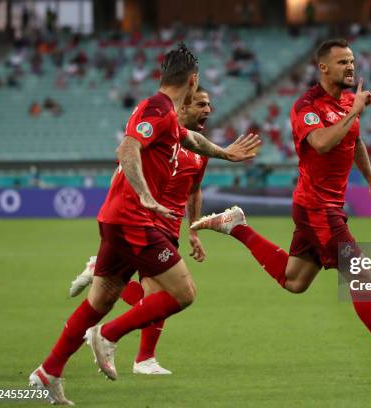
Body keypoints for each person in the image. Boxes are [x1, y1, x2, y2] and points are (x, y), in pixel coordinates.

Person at [191, 39, 371, 379]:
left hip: (322, 206)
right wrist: (353, 112)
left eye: (351, 61)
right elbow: (322, 143)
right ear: (323, 68)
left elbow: (355, 140)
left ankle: (237, 226)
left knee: (294, 281)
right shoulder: (306, 106)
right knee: (360, 274)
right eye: (342, 62)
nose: (350, 67)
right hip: (317, 206)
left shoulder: (348, 102)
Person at [28, 44, 260, 405]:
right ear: (193, 80)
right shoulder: (156, 108)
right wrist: (146, 195)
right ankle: (109, 335)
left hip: (119, 219)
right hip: (134, 218)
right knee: (183, 293)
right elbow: (128, 148)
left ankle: (48, 371)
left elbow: (192, 140)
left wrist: (225, 153)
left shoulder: (166, 113)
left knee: (100, 300)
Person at [68, 87, 213, 375]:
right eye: (200, 103)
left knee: (157, 297)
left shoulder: (199, 151)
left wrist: (193, 230)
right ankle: (142, 357)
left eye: (210, 104)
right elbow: (123, 168)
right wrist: (114, 215)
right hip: (142, 221)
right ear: (182, 108)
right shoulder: (157, 139)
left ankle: (141, 356)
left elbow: (194, 192)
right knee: (166, 295)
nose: (207, 109)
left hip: (168, 225)